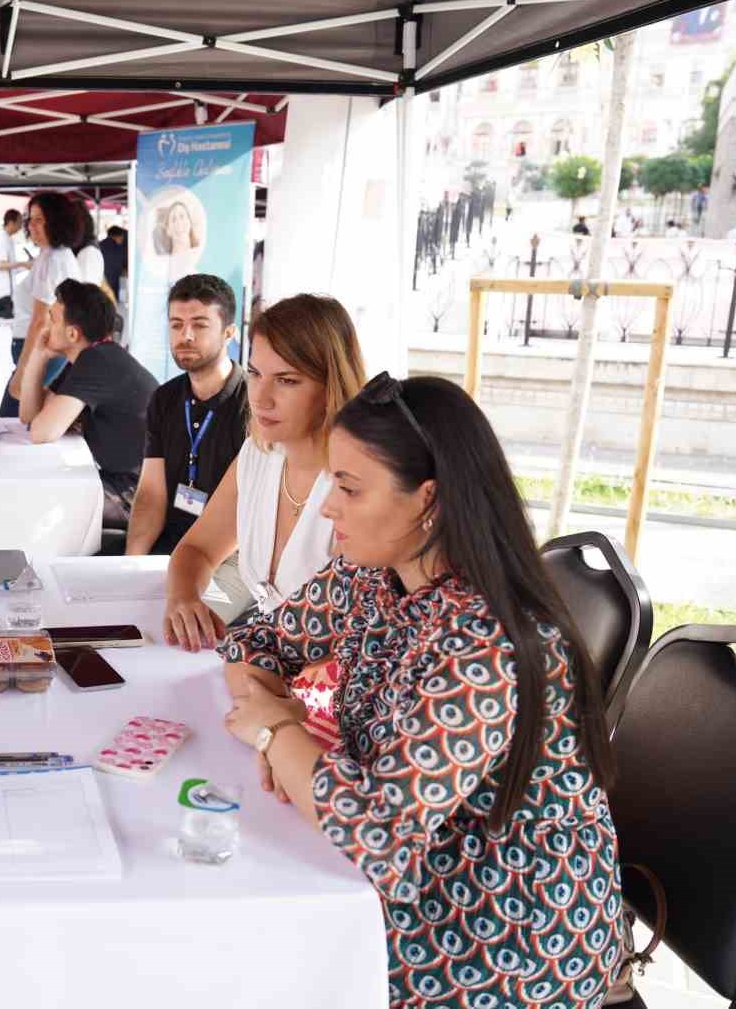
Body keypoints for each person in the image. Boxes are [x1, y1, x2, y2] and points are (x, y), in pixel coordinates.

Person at [220, 373, 623, 1008]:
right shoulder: (373, 573)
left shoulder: (485, 646)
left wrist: (279, 734)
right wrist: (268, 711)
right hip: (411, 873)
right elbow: (255, 641)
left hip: (501, 928)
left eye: (350, 488)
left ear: (428, 500)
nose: (328, 506)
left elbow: (378, 833)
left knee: (249, 956)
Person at [164, 295, 366, 748]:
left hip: (323, 711)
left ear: (331, 385)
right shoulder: (259, 453)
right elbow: (197, 549)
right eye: (254, 373)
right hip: (266, 684)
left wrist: (268, 702)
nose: (261, 395)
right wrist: (184, 600)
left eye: (287, 380)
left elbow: (358, 648)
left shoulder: (360, 483)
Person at [17, 279, 158, 528]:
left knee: (38, 498)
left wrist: (38, 352)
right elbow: (29, 415)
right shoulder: (91, 357)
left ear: (72, 333)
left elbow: (42, 432)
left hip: (137, 494)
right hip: (123, 481)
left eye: (52, 319)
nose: (45, 327)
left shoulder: (97, 361)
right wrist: (38, 355)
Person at [126, 275, 246, 557]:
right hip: (169, 543)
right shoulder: (165, 398)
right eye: (176, 325)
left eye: (200, 325)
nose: (186, 335)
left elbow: (246, 516)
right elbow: (151, 495)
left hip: (226, 556)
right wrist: (132, 563)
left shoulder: (252, 405)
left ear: (229, 333)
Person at [0, 192, 81, 419]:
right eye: (30, 220)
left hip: (41, 350)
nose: (32, 226)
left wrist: (22, 374)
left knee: (11, 423)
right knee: (20, 423)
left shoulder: (54, 259)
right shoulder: (50, 256)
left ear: (56, 221)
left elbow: (40, 322)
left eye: (40, 220)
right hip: (38, 349)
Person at [0, 208, 31, 319]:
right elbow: (0, 265)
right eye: (19, 223)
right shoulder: (1, 238)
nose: (21, 227)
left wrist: (26, 265)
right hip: (2, 293)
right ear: (11, 222)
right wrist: (22, 264)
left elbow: (10, 268)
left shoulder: (8, 239)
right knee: (6, 328)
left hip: (8, 293)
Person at [154, 198, 203, 284]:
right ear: (168, 230)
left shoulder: (198, 262)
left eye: (182, 216)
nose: (179, 223)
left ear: (190, 222)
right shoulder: (162, 265)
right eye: (173, 219)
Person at [98, 225, 127, 298]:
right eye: (121, 238)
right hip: (114, 286)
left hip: (102, 286)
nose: (122, 241)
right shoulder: (119, 249)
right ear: (116, 236)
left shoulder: (99, 245)